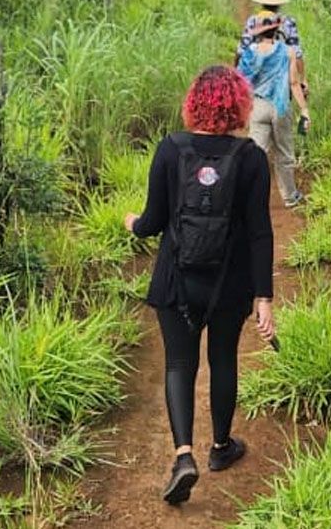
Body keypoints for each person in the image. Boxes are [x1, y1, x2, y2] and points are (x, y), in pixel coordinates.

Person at [123, 66, 277, 505]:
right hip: (229, 284)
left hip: (177, 280)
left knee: (179, 364)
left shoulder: (171, 148)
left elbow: (152, 223)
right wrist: (264, 298)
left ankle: (183, 455)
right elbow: (260, 233)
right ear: (239, 106)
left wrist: (132, 223)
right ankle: (221, 447)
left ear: (194, 103)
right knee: (223, 359)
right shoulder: (250, 158)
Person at [237, 10, 310, 208]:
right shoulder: (288, 52)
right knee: (284, 153)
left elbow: (241, 82)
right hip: (281, 107)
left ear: (258, 31)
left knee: (255, 155)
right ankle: (289, 196)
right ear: (277, 29)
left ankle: (248, 198)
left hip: (258, 107)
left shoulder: (250, 52)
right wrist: (304, 109)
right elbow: (294, 83)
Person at [234, 0, 309, 95]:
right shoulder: (288, 22)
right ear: (279, 5)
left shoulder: (253, 21)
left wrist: (236, 73)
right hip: (280, 74)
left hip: (256, 71)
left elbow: (241, 50)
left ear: (262, 4)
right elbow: (297, 53)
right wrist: (303, 79)